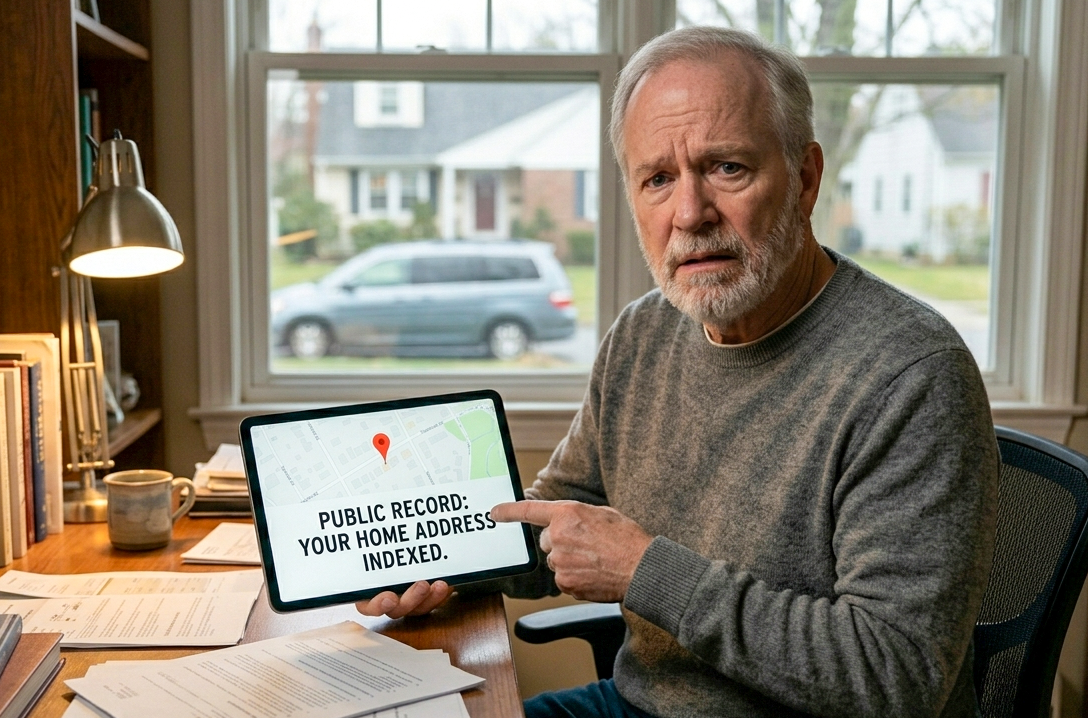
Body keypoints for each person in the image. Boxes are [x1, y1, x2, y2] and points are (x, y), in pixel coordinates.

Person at [358, 26, 998, 718]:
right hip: (638, 704)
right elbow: (561, 519)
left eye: (727, 168)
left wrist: (643, 571)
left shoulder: (910, 375)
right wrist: (437, 559)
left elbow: (894, 676)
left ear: (805, 178)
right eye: (657, 179)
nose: (689, 214)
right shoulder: (643, 332)